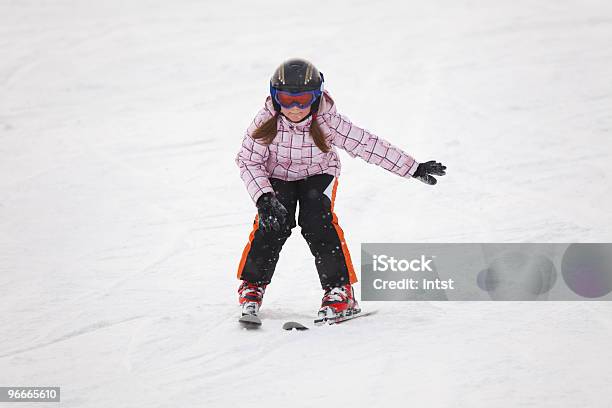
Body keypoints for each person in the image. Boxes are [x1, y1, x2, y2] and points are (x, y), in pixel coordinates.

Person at [235, 58, 446, 323]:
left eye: (305, 99)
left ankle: (339, 291)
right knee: (273, 223)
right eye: (287, 99)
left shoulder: (327, 120)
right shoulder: (266, 121)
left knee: (317, 222)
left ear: (317, 96)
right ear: (275, 97)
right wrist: (264, 197)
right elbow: (248, 160)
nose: (296, 108)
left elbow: (367, 145)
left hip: (319, 174)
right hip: (277, 176)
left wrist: (412, 167)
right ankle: (252, 286)